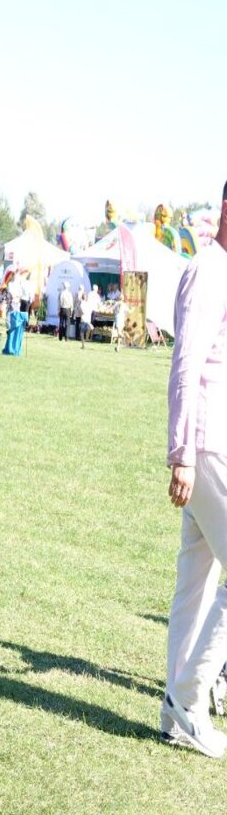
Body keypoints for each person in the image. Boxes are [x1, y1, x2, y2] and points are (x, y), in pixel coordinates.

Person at [162, 180, 227, 758]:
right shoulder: (209, 269)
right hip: (204, 447)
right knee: (198, 578)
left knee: (196, 579)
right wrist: (181, 452)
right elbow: (185, 366)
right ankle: (189, 695)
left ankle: (174, 708)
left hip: (213, 445)